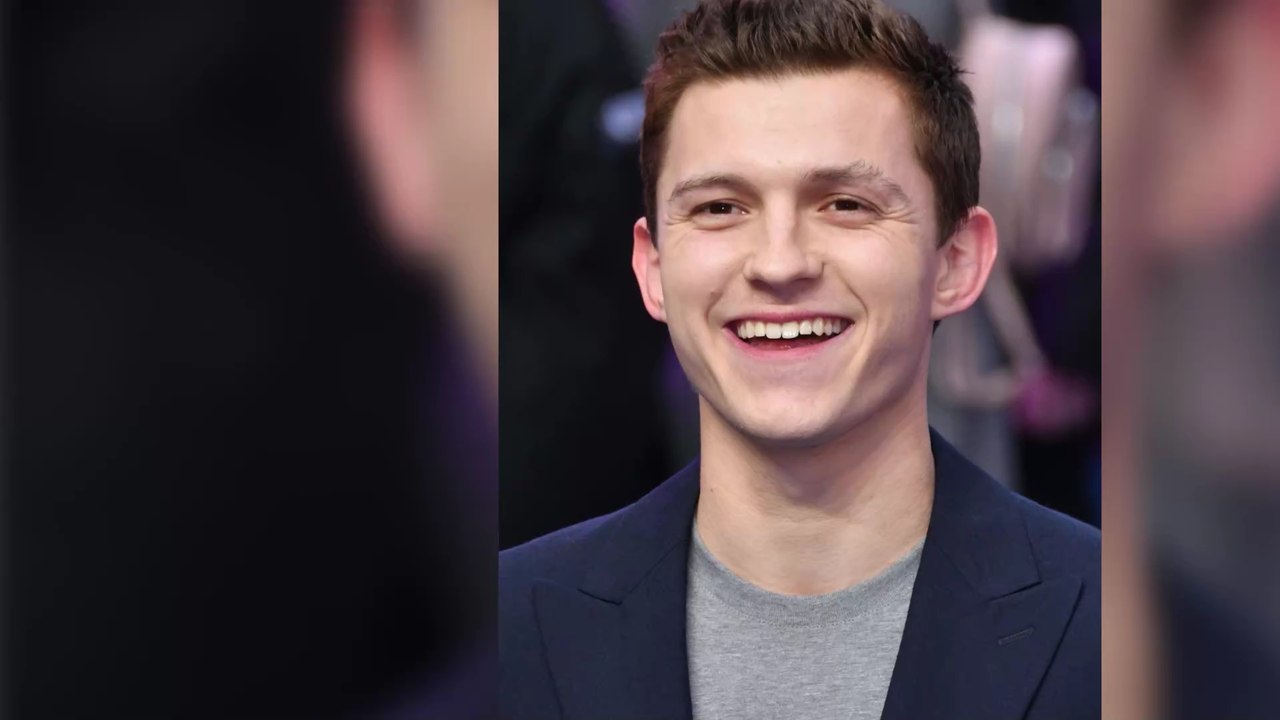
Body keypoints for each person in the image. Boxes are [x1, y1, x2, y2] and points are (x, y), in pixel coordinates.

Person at [499, 1, 1100, 718]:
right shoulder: (512, 632)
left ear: (956, 262)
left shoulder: (1111, 632)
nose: (780, 263)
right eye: (720, 208)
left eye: (845, 204)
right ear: (652, 269)